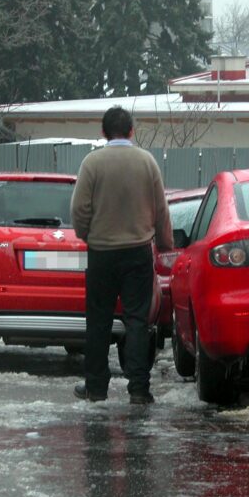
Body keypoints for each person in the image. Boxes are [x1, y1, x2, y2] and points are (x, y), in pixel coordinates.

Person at [71, 106, 173, 405]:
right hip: (137, 252)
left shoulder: (92, 163)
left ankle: (96, 387)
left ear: (103, 133)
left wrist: (86, 234)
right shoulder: (147, 162)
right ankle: (139, 389)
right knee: (137, 321)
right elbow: (160, 208)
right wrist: (165, 242)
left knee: (98, 320)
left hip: (101, 252)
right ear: (132, 130)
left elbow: (79, 209)